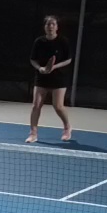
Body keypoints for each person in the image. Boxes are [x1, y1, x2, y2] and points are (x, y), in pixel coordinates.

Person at [27, 14, 75, 143]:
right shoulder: (39, 42)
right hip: (41, 78)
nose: (51, 26)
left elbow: (68, 60)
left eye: (53, 24)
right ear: (45, 27)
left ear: (57, 27)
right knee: (36, 105)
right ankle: (33, 133)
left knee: (58, 106)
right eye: (48, 24)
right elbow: (33, 59)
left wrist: (54, 67)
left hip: (59, 78)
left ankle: (67, 127)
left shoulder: (63, 41)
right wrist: (40, 68)